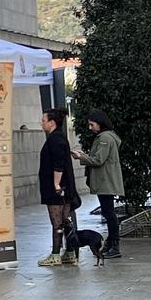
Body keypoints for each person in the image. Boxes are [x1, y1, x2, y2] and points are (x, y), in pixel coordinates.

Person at [72, 109, 125, 259]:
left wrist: (81, 157)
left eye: (92, 124)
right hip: (106, 180)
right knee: (109, 213)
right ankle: (111, 243)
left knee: (109, 214)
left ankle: (114, 245)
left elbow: (98, 160)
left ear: (100, 123)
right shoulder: (107, 137)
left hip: (105, 180)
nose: (90, 128)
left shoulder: (104, 138)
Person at [37, 107, 79, 267]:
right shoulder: (60, 137)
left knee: (57, 222)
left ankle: (56, 254)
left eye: (43, 120)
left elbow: (59, 163)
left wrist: (56, 184)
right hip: (64, 188)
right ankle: (69, 253)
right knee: (64, 221)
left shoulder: (55, 139)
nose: (41, 123)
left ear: (52, 123)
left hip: (57, 190)